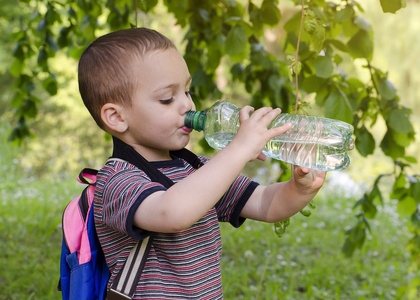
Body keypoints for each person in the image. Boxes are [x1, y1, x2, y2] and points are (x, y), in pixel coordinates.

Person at [78, 27, 326, 299]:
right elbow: (172, 213)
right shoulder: (117, 181)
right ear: (116, 117)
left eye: (187, 90)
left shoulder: (197, 169)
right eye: (167, 98)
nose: (187, 104)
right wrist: (238, 150)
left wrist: (301, 189)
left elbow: (266, 203)